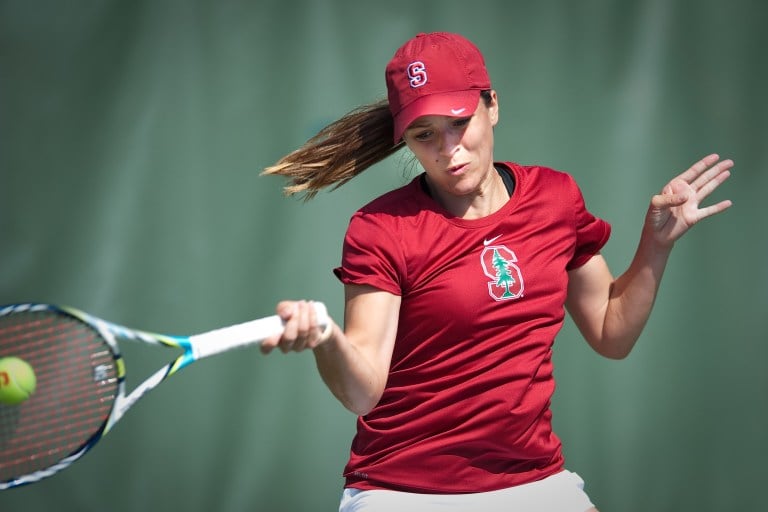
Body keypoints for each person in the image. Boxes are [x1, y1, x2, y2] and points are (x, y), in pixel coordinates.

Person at [260, 32, 732, 511]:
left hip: (534, 481)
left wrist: (656, 245)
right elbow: (362, 393)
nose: (449, 149)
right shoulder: (380, 228)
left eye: (459, 122)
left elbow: (612, 333)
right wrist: (325, 338)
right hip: (402, 491)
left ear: (492, 106)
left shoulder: (555, 198)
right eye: (425, 135)